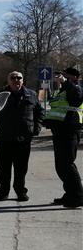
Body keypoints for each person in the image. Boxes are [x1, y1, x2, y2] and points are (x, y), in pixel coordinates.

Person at [0, 70, 43, 202]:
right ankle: (3, 192)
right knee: (4, 169)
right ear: (8, 81)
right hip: (4, 139)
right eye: (13, 78)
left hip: (23, 139)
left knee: (21, 169)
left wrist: (36, 128)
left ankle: (21, 191)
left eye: (19, 78)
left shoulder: (31, 94)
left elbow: (39, 112)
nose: (16, 80)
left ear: (22, 80)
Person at [44, 67, 83, 208]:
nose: (62, 78)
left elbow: (75, 101)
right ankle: (70, 193)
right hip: (60, 132)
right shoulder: (63, 90)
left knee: (67, 164)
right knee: (60, 166)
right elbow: (58, 108)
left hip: (70, 131)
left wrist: (66, 82)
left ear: (73, 77)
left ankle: (78, 196)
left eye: (65, 75)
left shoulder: (77, 88)